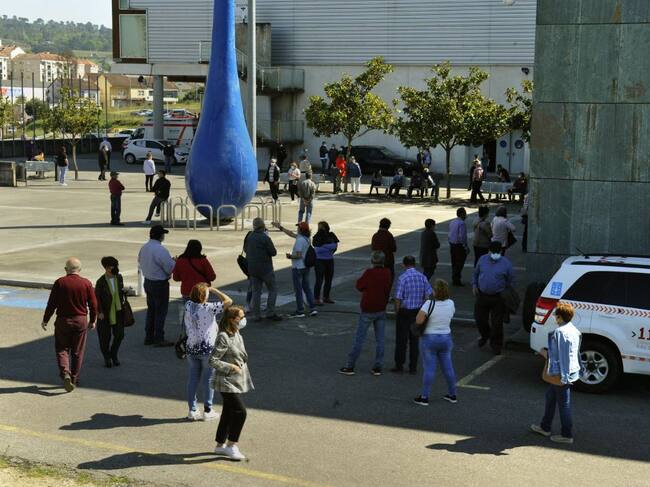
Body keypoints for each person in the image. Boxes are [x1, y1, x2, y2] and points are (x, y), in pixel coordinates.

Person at [530, 302, 583, 444]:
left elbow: (558, 356)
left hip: (560, 374)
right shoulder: (574, 330)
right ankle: (545, 426)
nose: (554, 318)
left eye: (555, 315)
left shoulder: (559, 333)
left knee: (564, 404)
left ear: (560, 317)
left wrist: (543, 352)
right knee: (550, 397)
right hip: (569, 371)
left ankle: (566, 435)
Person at [41, 258, 98, 392]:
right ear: (80, 269)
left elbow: (52, 304)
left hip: (63, 321)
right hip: (80, 320)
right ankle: (74, 378)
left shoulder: (60, 282)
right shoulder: (86, 283)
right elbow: (93, 304)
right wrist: (92, 320)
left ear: (66, 269)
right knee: (78, 351)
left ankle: (65, 372)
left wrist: (45, 319)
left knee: (62, 348)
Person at [210, 306, 253, 461]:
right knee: (240, 412)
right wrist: (231, 367)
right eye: (241, 317)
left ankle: (219, 445)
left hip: (234, 380)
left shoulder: (236, 332)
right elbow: (213, 360)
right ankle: (231, 445)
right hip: (225, 381)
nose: (243, 320)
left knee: (228, 411)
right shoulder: (223, 336)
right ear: (231, 319)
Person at [185, 282, 233, 421]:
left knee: (193, 379)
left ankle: (192, 410)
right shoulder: (209, 307)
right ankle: (208, 410)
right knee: (208, 379)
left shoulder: (188, 305)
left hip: (191, 347)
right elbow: (229, 301)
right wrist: (215, 290)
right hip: (207, 349)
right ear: (204, 296)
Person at [339, 251, 392, 376]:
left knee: (359, 338)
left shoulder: (369, 272)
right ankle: (378, 366)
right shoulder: (387, 272)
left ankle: (350, 366)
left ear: (373, 260)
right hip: (381, 307)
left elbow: (359, 286)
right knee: (380, 339)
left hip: (368, 308)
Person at [413, 279, 458, 406]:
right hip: (446, 338)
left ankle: (424, 397)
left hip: (429, 338)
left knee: (429, 369)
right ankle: (452, 395)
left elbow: (419, 321)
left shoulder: (429, 304)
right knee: (448, 368)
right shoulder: (451, 303)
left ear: (435, 291)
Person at [472, 241, 515, 355]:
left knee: (497, 323)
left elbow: (510, 280)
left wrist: (505, 292)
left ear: (500, 252)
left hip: (498, 297)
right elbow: (476, 273)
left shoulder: (506, 264)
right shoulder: (482, 259)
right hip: (482, 295)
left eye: (497, 252)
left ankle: (496, 344)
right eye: (493, 252)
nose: (495, 255)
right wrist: (474, 285)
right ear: (489, 251)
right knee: (479, 319)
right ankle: (485, 335)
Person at [392, 255, 433, 374]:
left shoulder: (403, 278)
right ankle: (413, 367)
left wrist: (397, 312)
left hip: (405, 312)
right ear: (415, 264)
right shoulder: (422, 277)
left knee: (401, 340)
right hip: (417, 312)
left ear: (404, 265)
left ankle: (399, 365)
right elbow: (428, 295)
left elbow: (398, 298)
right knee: (414, 341)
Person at [138, 225, 176, 347]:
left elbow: (140, 261)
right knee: (160, 311)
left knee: (151, 310)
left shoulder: (144, 247)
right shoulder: (161, 250)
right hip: (159, 283)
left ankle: (148, 336)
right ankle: (159, 337)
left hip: (148, 281)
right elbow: (170, 268)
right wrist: (174, 261)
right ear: (160, 236)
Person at [274, 221, 318, 318]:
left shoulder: (299, 241)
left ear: (301, 229)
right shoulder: (306, 238)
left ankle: (300, 310)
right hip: (305, 267)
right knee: (307, 288)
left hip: (298, 268)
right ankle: (313, 308)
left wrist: (290, 256)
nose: (297, 229)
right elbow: (291, 234)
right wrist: (280, 227)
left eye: (298, 227)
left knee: (298, 290)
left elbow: (298, 255)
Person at [244, 218, 281, 322]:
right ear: (263, 226)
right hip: (265, 268)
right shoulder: (265, 238)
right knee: (272, 289)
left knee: (256, 291)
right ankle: (270, 312)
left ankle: (256, 315)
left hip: (252, 268)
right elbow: (273, 252)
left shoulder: (249, 236)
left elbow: (246, 249)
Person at [94, 256, 127, 368]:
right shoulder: (101, 282)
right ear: (107, 268)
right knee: (104, 338)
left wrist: (124, 292)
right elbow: (97, 298)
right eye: (113, 266)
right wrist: (99, 312)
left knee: (120, 335)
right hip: (105, 313)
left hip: (118, 311)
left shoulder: (119, 278)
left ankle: (113, 353)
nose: (116, 268)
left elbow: (120, 292)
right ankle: (107, 357)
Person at [173, 239, 217, 304]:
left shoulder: (180, 260)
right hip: (201, 291)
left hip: (186, 291)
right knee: (201, 309)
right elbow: (212, 277)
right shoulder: (203, 260)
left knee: (188, 309)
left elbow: (176, 278)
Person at [313, 221, 339, 305]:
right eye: (319, 227)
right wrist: (329, 247)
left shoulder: (331, 235)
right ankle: (316, 298)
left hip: (329, 260)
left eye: (321, 227)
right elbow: (317, 249)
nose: (319, 229)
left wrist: (323, 246)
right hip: (319, 261)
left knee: (329, 280)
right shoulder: (317, 236)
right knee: (319, 280)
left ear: (325, 227)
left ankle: (326, 297)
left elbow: (335, 246)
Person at [448, 207, 469, 286]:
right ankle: (457, 279)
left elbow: (450, 234)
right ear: (462, 214)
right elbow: (462, 237)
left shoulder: (452, 222)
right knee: (459, 263)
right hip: (459, 246)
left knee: (454, 262)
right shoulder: (462, 223)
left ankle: (455, 278)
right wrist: (466, 247)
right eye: (465, 213)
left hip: (452, 244)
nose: (466, 215)